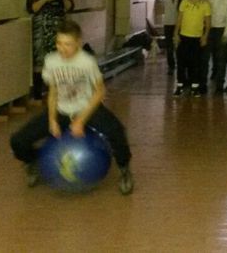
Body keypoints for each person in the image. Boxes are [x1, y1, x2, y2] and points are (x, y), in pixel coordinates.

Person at [9, 20, 134, 195]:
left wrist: (81, 120)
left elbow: (99, 91)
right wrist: (52, 120)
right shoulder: (51, 61)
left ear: (78, 43)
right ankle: (33, 162)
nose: (62, 48)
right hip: (62, 111)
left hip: (86, 108)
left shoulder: (86, 62)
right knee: (18, 140)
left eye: (67, 44)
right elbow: (53, 92)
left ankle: (124, 169)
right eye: (59, 43)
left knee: (117, 132)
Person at [25, 0, 74, 99]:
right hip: (41, 30)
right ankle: (37, 93)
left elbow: (70, 6)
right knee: (40, 59)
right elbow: (32, 9)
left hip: (58, 29)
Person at [173, 0, 211, 96]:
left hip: (197, 38)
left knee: (195, 64)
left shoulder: (205, 4)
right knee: (181, 63)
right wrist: (176, 34)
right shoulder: (184, 2)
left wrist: (205, 36)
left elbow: (208, 23)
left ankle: (195, 87)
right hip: (183, 37)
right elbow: (179, 19)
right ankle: (180, 86)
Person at [204, 0, 227, 93]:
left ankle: (219, 85)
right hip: (208, 30)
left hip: (221, 30)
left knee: (221, 58)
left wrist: (226, 34)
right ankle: (202, 84)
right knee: (205, 57)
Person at [154, 0, 180, 75]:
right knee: (169, 46)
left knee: (179, 46)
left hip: (179, 24)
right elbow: (157, 2)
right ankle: (171, 66)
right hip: (168, 24)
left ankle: (181, 65)